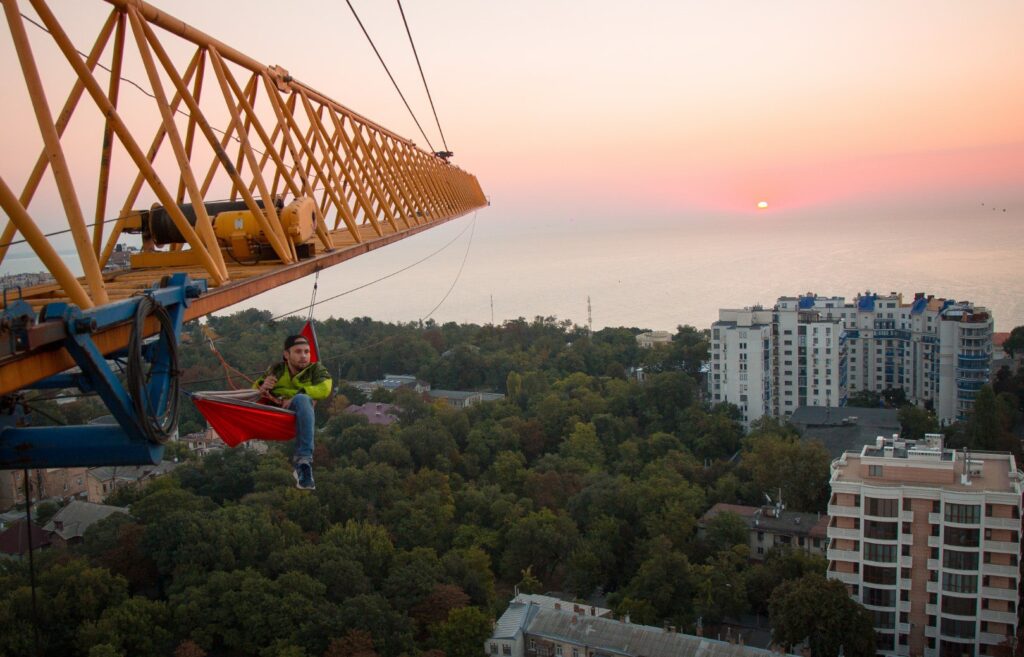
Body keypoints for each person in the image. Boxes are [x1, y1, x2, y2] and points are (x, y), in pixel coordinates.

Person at [253, 334, 332, 490]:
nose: (303, 356)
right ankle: (303, 464)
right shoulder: (277, 369)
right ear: (286, 355)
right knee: (301, 398)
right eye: (298, 352)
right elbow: (254, 390)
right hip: (274, 412)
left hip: (300, 411)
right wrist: (262, 388)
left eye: (306, 352)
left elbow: (325, 388)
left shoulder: (316, 369)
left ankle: (303, 463)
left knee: (302, 399)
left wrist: (297, 394)